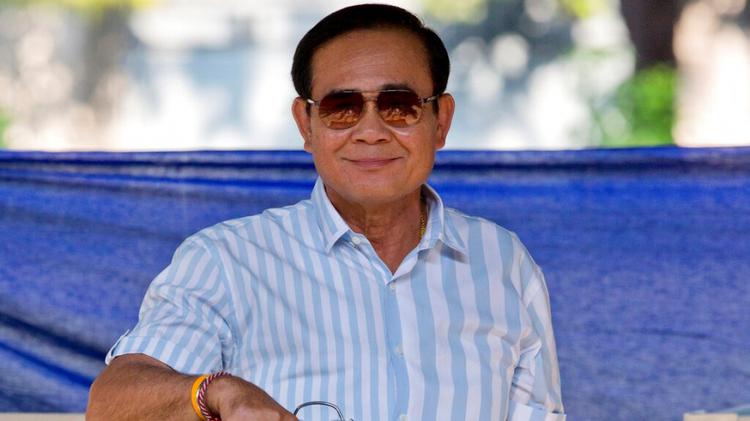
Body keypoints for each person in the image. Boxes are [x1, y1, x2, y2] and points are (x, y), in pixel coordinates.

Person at [87, 4, 565, 421]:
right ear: (306, 125)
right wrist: (217, 391)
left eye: (399, 106)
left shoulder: (502, 261)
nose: (371, 131)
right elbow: (111, 405)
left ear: (441, 121)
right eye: (342, 108)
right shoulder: (226, 260)